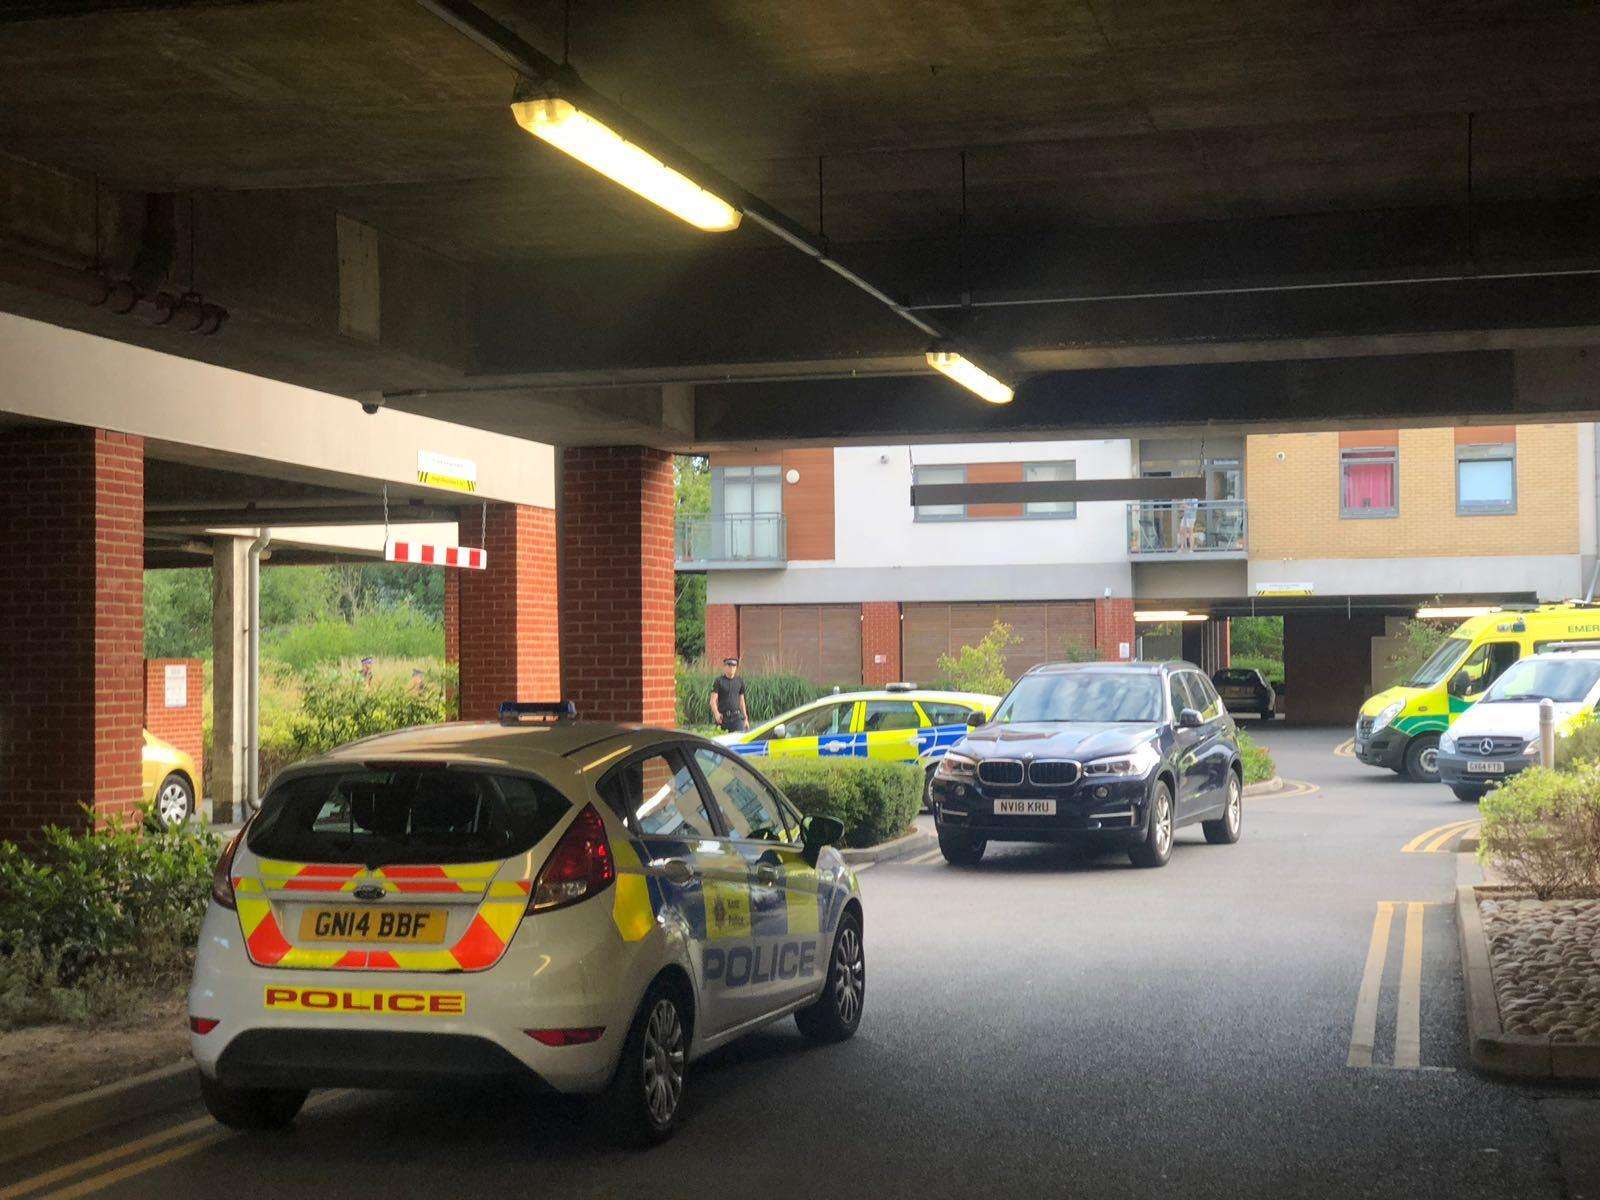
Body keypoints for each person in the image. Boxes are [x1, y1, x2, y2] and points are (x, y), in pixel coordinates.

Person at [710, 657, 750, 734]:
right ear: (725, 667)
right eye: (729, 666)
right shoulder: (719, 681)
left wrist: (745, 718)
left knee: (739, 740)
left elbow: (742, 701)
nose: (732, 668)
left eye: (734, 666)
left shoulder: (739, 681)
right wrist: (716, 714)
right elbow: (712, 701)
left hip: (737, 718)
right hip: (723, 718)